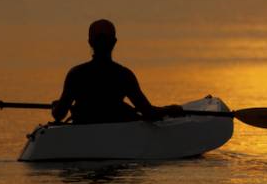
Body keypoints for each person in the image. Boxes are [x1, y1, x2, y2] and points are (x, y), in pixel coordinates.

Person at [51, 19, 183, 124]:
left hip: (84, 125)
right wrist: (170, 109)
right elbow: (148, 113)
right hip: (117, 128)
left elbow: (59, 115)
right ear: (114, 42)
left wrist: (56, 106)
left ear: (90, 42)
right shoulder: (124, 75)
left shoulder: (76, 74)